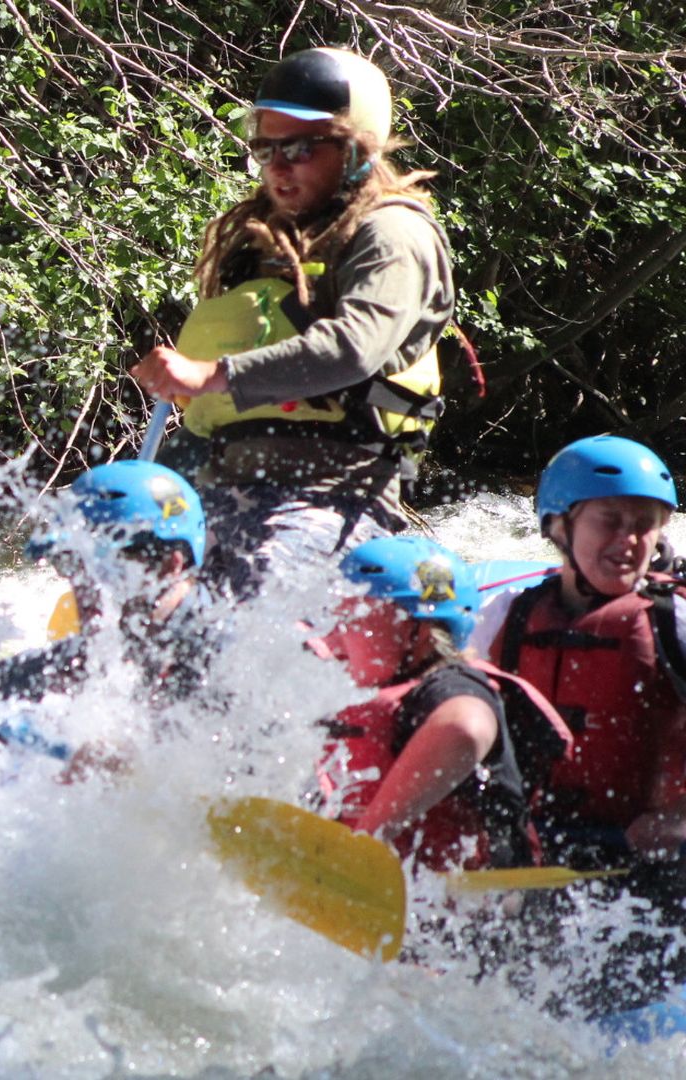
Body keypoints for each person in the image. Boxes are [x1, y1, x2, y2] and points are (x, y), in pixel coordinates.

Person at [128, 47, 455, 598]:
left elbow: (355, 348)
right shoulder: (257, 239)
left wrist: (213, 376)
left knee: (249, 591)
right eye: (267, 147)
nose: (278, 166)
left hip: (336, 494)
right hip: (222, 479)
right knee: (121, 581)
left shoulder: (393, 236)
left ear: (357, 149)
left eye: (301, 148)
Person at [467, 435, 686, 1016]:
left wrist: (677, 818)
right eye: (609, 521)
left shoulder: (673, 624)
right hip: (539, 856)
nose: (629, 540)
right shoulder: (507, 616)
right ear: (559, 527)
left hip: (654, 867)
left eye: (645, 524)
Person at [313, 536, 571, 872]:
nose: (334, 635)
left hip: (482, 905)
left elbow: (465, 728)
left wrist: (366, 842)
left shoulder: (450, 684)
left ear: (418, 632)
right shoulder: (375, 688)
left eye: (354, 619)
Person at [0, 460, 215, 708]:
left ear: (169, 566)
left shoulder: (227, 661)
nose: (82, 584)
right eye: (69, 563)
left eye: (104, 567)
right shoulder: (96, 652)